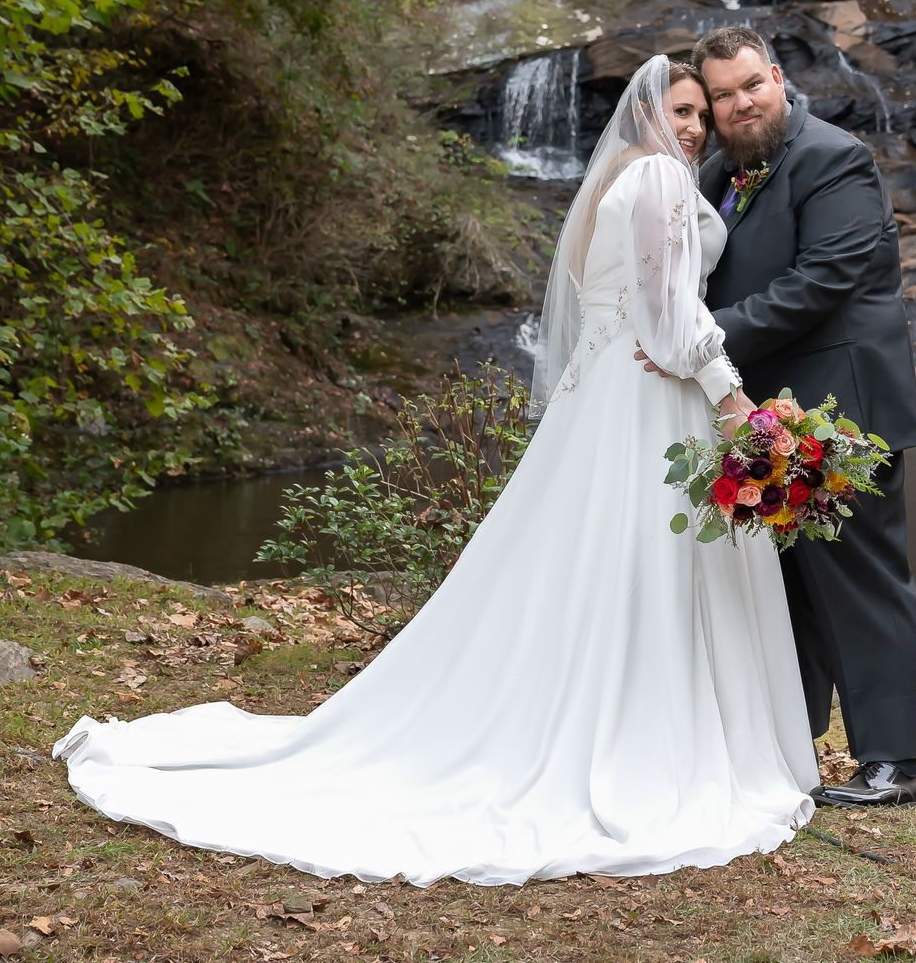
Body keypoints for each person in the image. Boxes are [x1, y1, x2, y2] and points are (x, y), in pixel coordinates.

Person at [52, 55, 818, 885]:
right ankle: (651, 737)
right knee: (642, 566)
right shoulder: (663, 180)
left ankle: (588, 715)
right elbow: (672, 315)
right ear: (644, 113)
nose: (697, 124)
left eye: (704, 111)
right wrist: (733, 397)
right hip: (649, 394)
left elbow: (604, 302)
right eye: (682, 108)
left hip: (599, 394)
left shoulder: (610, 184)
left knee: (591, 567)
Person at [648, 25, 916, 808]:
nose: (739, 105)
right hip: (760, 419)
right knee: (789, 595)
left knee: (862, 585)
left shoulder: (833, 157)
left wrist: (698, 338)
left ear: (777, 76)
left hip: (844, 418)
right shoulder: (715, 177)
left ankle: (893, 764)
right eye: (722, 96)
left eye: (750, 86)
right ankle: (789, 750)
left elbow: (822, 280)